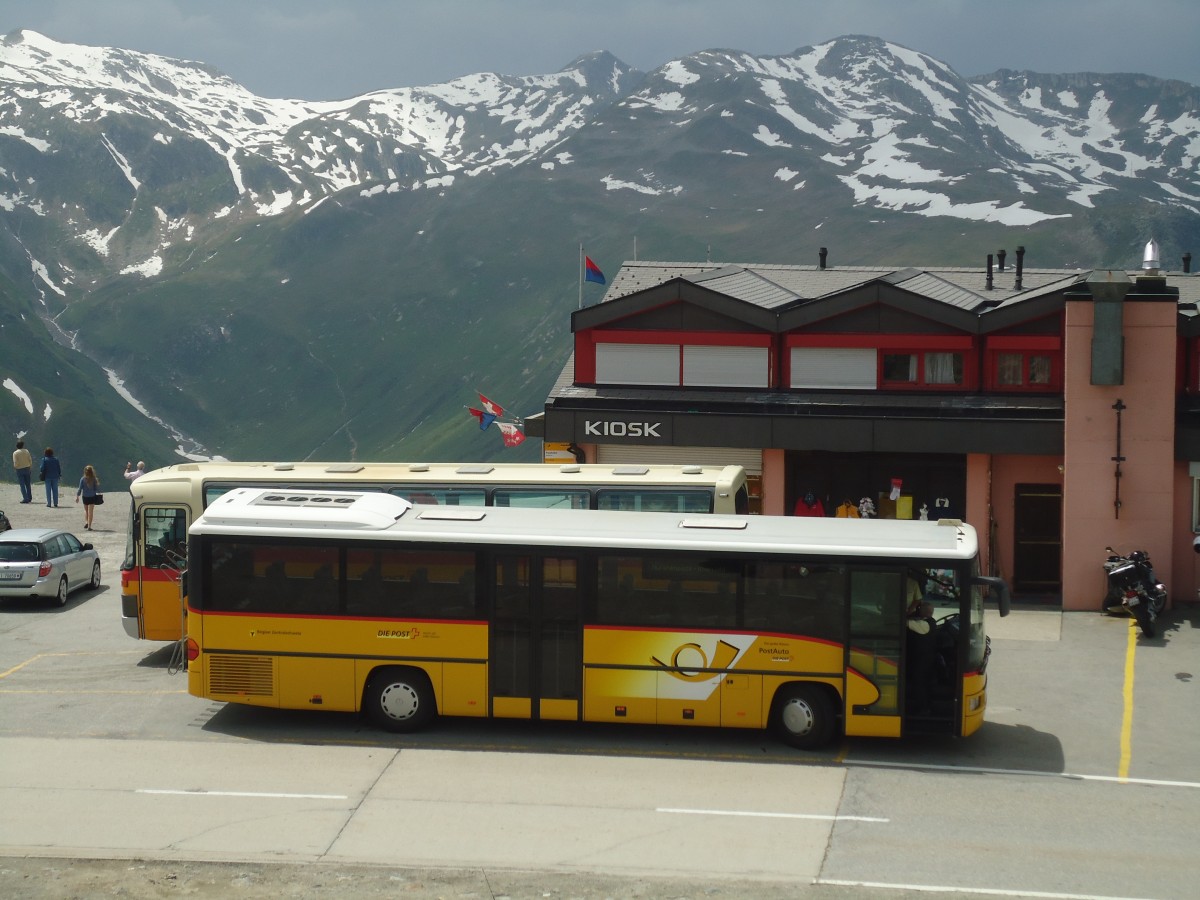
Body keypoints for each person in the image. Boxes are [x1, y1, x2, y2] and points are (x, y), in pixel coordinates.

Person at [905, 594, 938, 716]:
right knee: (924, 683)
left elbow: (905, 623)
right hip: (927, 659)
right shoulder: (931, 623)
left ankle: (923, 708)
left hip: (921, 661)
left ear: (922, 612)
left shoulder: (923, 625)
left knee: (919, 684)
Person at [76, 464, 101, 530]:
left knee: (86, 510)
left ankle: (86, 522)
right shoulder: (94, 479)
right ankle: (89, 526)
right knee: (91, 512)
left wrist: (77, 496)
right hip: (92, 497)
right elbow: (96, 488)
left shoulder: (82, 479)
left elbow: (80, 488)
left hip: (85, 497)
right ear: (92, 471)